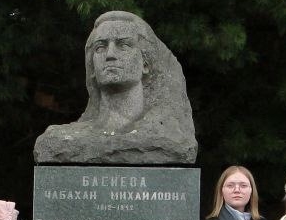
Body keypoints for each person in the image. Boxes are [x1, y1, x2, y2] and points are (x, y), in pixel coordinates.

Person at [33, 10, 198, 164]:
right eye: (100, 47)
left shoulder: (169, 135)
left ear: (146, 63)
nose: (110, 55)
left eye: (123, 45)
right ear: (92, 69)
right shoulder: (62, 138)